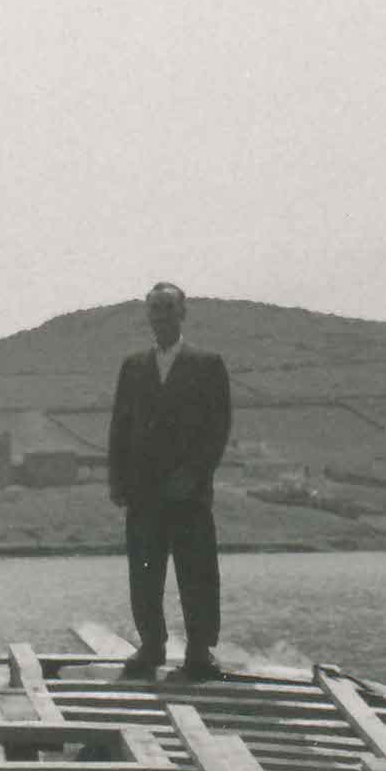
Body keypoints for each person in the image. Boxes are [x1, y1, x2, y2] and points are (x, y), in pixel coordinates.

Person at [106, 282, 231, 679]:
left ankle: (199, 651)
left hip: (189, 493)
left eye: (168, 308)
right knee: (145, 573)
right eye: (155, 309)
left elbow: (218, 428)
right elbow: (120, 427)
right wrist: (117, 480)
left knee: (197, 573)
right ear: (148, 315)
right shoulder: (133, 367)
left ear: (183, 313)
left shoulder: (207, 364)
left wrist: (194, 475)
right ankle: (151, 646)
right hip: (143, 492)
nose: (161, 316)